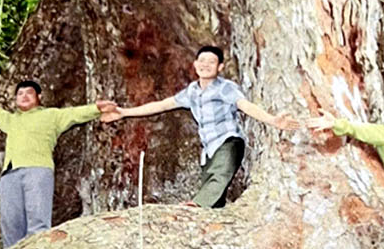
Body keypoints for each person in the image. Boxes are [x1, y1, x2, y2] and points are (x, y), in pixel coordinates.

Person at [104, 46, 300, 208]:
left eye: (211, 62)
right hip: (209, 150)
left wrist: (273, 120)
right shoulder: (192, 91)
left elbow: (245, 106)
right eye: (202, 61)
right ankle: (211, 216)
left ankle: (197, 205)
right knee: (212, 187)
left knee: (219, 175)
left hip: (228, 141)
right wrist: (124, 112)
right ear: (195, 64)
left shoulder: (225, 88)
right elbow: (162, 105)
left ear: (220, 67)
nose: (205, 65)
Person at [0, 79, 118, 248]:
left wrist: (97, 108)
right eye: (20, 94)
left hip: (38, 170)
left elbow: (75, 113)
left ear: (39, 96)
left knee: (38, 220)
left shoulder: (52, 115)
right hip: (10, 173)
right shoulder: (10, 119)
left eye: (29, 93)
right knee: (10, 222)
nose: (24, 96)